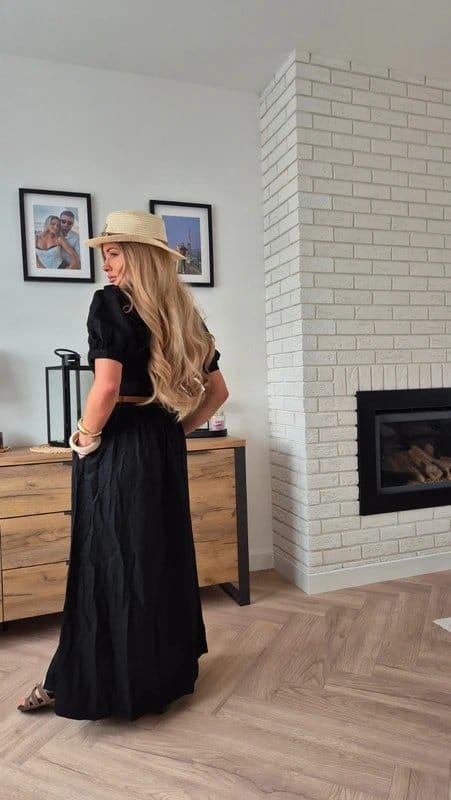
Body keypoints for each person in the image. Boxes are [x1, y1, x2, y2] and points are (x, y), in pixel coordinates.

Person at [18, 210, 228, 720]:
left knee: (107, 559)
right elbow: (218, 393)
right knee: (159, 556)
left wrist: (84, 436)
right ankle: (159, 679)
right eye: (105, 255)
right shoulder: (184, 312)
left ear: (140, 256)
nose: (106, 265)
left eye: (114, 253)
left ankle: (87, 683)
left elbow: (107, 387)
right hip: (160, 438)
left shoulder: (110, 303)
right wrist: (174, 432)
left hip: (120, 442)